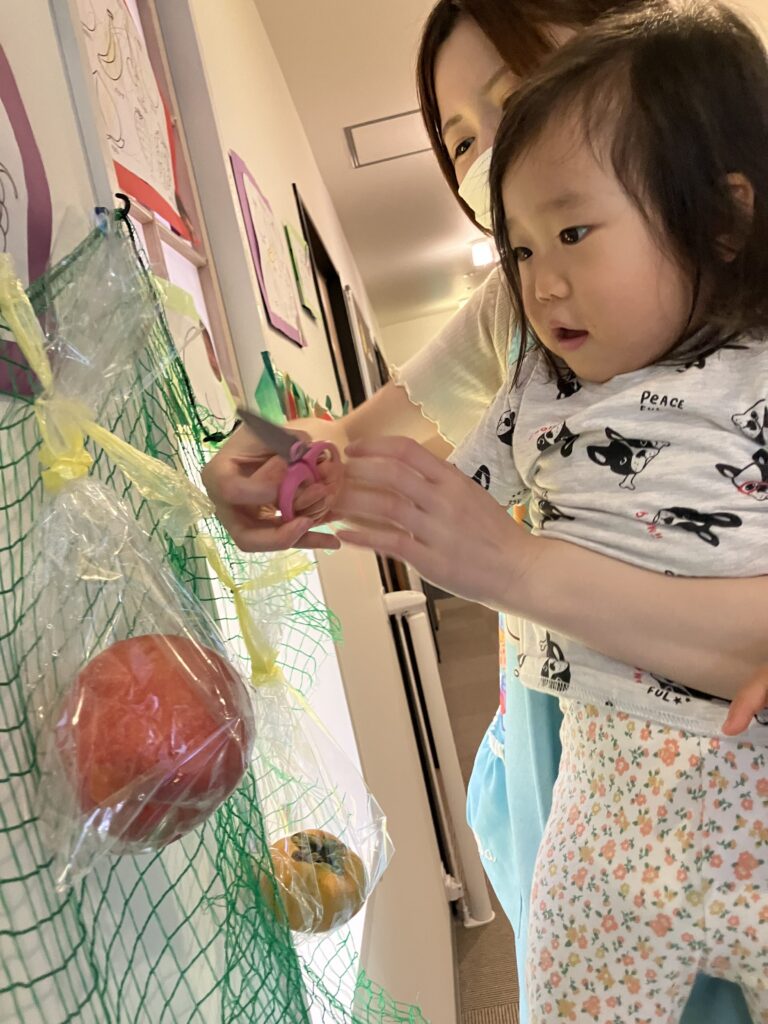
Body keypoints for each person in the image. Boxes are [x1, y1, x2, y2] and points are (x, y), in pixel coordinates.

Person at [201, 2, 767, 1019]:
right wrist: (276, 460)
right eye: (459, 139)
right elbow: (360, 447)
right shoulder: (528, 326)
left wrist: (516, 564)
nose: (491, 148)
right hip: (584, 753)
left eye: (515, 94)